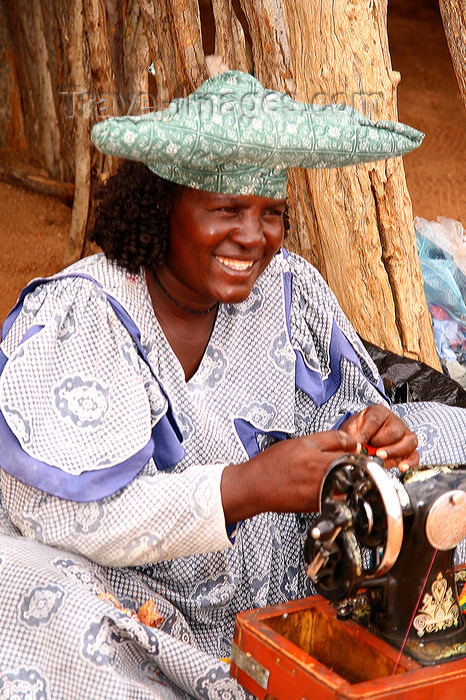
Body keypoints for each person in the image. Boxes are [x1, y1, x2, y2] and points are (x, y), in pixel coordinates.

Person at [0, 71, 464, 700]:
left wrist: (375, 442)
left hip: (273, 577)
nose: (253, 237)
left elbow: (348, 415)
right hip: (135, 597)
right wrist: (243, 486)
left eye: (271, 212)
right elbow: (51, 513)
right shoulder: (84, 314)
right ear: (164, 203)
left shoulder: (288, 289)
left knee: (449, 456)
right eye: (226, 209)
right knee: (22, 584)